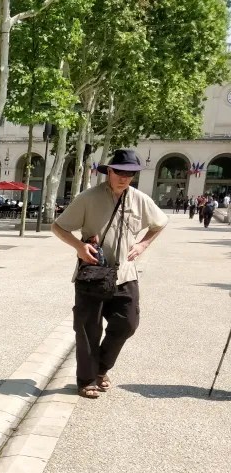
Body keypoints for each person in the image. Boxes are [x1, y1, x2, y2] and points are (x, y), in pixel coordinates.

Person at [52, 148, 168, 399]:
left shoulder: (139, 199)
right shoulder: (88, 198)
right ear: (109, 171)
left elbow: (160, 223)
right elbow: (58, 226)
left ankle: (101, 368)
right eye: (120, 172)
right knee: (87, 329)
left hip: (125, 274)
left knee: (127, 323)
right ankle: (87, 379)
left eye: (130, 174)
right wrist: (79, 246)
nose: (124, 177)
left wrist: (143, 244)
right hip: (93, 274)